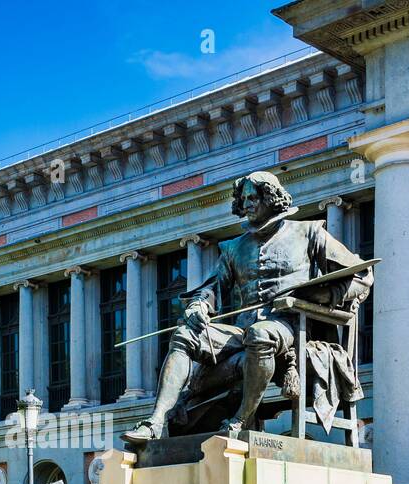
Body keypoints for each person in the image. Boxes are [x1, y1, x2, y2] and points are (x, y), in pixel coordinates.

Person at [122, 170, 372, 445]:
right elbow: (212, 288)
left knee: (260, 334)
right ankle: (155, 423)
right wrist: (199, 306)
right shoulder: (233, 248)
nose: (248, 203)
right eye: (244, 199)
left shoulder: (308, 232)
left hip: (290, 327)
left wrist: (324, 295)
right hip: (241, 332)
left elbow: (362, 276)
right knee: (184, 335)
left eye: (254, 197)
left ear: (271, 198)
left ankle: (240, 420)